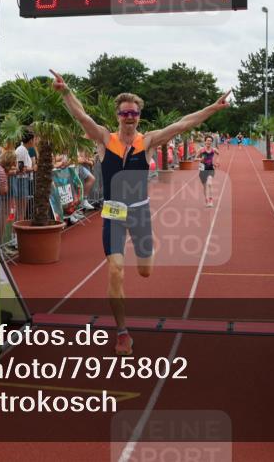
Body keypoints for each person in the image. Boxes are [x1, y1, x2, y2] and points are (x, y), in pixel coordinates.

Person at [51, 69, 231, 356]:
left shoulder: (147, 142)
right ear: (117, 115)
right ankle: (122, 332)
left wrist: (213, 107)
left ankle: (146, 249)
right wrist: (66, 92)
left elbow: (184, 124)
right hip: (113, 214)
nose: (129, 117)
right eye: (124, 113)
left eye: (134, 113)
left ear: (139, 116)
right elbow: (82, 116)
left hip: (139, 213)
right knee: (115, 270)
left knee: (145, 272)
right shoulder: (104, 139)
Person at [197, 136, 219, 207]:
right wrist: (200, 159)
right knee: (205, 187)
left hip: (210, 169)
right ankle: (206, 200)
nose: (209, 142)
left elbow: (218, 154)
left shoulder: (214, 149)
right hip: (202, 169)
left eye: (210, 141)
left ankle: (211, 200)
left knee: (209, 183)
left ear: (212, 142)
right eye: (207, 140)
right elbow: (195, 158)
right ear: (205, 141)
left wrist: (217, 161)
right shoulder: (201, 150)